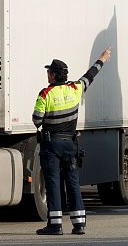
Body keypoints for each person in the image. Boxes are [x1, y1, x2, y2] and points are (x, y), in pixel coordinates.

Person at [33, 47, 112, 236]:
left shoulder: (45, 94)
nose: (47, 75)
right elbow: (90, 75)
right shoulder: (75, 89)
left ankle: (55, 225)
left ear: (52, 75)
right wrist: (102, 59)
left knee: (53, 183)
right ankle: (79, 224)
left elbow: (37, 120)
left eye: (48, 72)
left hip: (51, 145)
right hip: (70, 145)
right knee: (73, 183)